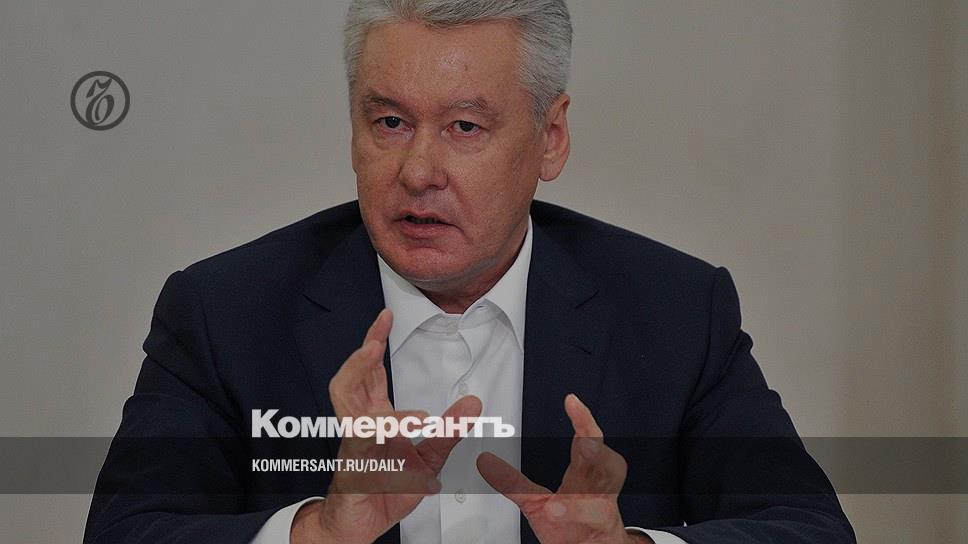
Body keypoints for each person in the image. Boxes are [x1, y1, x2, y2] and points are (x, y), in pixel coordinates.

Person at [84, 1, 855, 543]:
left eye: (464, 126)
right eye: (390, 122)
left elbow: (810, 529)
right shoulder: (223, 313)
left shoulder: (677, 311)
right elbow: (126, 532)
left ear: (551, 138)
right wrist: (318, 533)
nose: (419, 170)